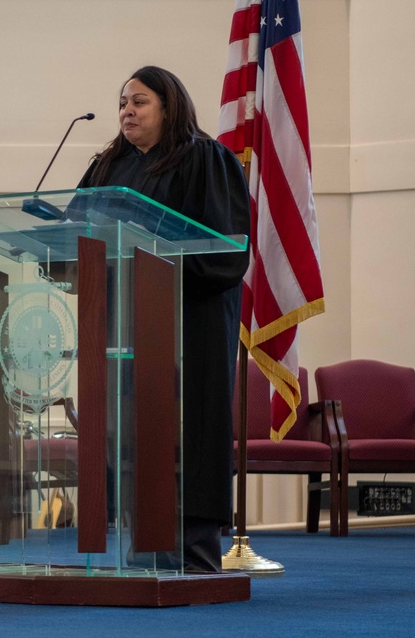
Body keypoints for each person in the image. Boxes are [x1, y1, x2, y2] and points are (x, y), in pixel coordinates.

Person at [70, 65, 251, 572]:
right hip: (124, 333)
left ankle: (192, 560)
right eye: (122, 102)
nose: (126, 110)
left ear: (169, 106)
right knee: (129, 440)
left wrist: (157, 264)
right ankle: (141, 553)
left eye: (139, 101)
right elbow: (72, 235)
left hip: (188, 330)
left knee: (185, 441)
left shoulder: (205, 160)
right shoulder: (107, 169)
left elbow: (227, 252)